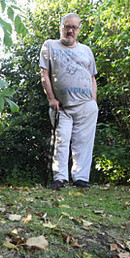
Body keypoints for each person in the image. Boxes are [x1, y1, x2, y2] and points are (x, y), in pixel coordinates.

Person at [39, 12, 98, 189]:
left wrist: (93, 101)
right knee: (62, 141)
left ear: (78, 29)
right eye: (67, 26)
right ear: (61, 28)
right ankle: (60, 178)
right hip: (62, 107)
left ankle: (80, 179)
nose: (70, 30)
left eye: (74, 27)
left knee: (83, 143)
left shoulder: (86, 50)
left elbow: (92, 77)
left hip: (86, 106)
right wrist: (51, 98)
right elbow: (45, 74)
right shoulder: (49, 45)